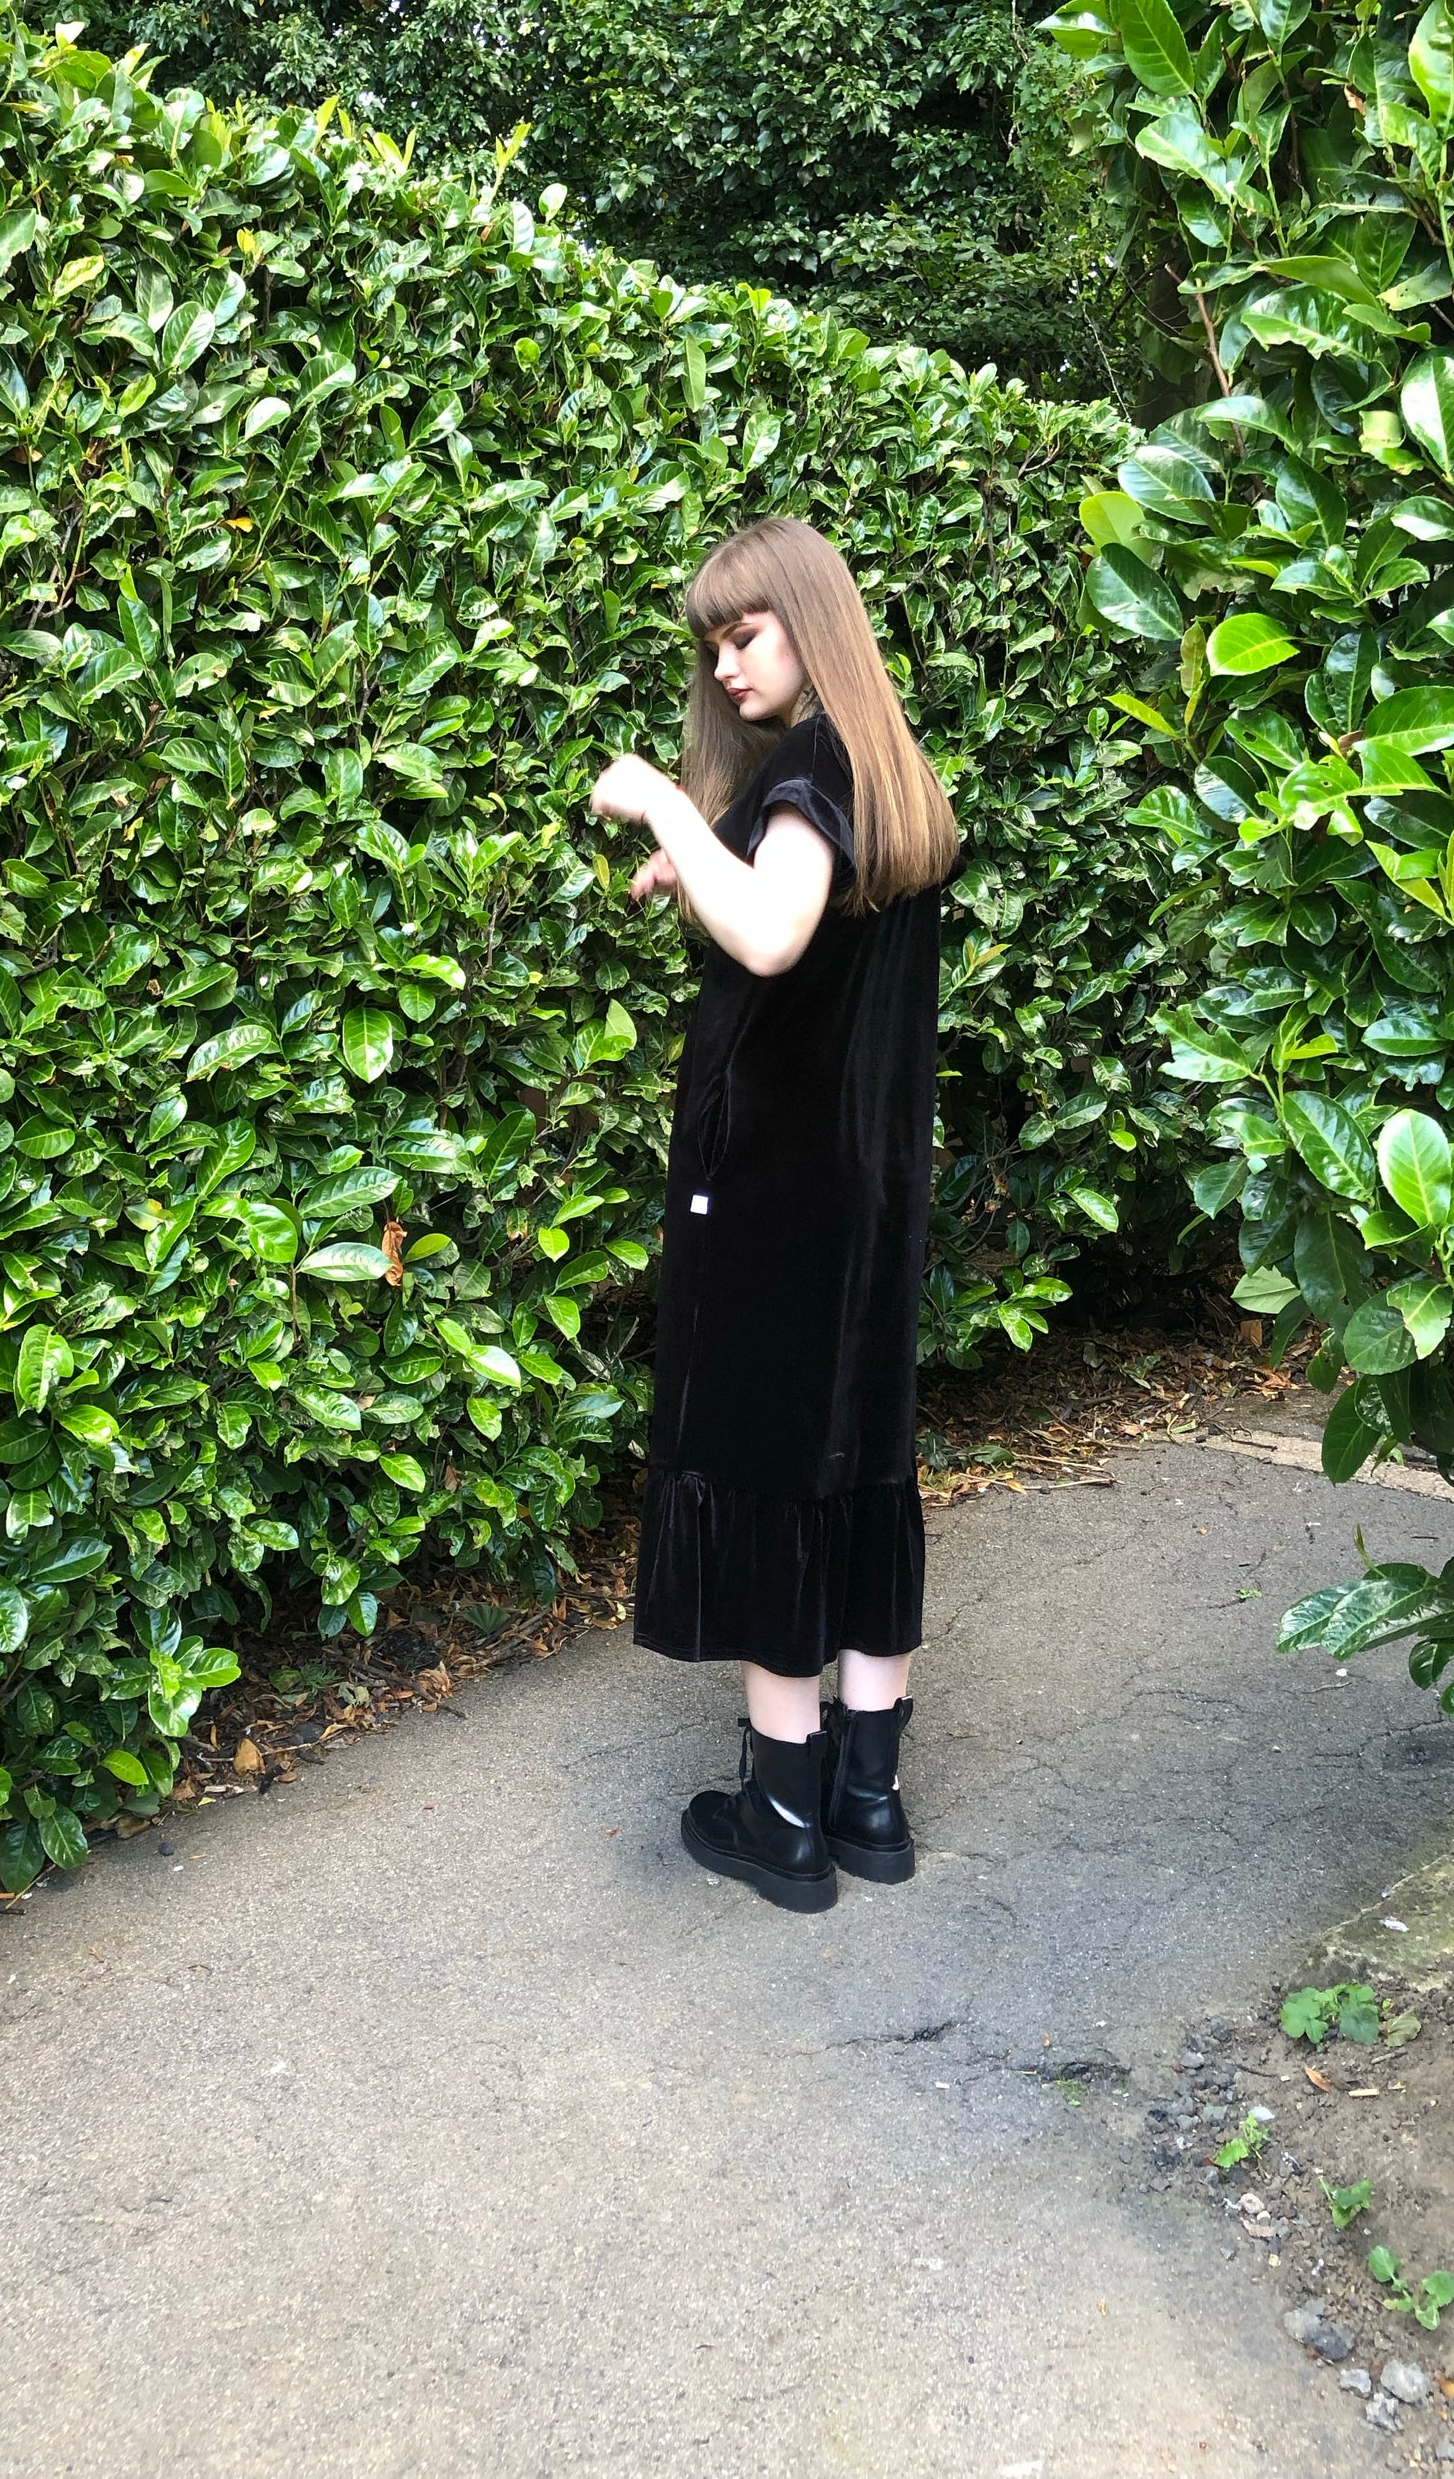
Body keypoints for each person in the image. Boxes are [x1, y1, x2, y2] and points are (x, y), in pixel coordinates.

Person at [588, 516, 962, 1914]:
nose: (727, 662)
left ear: (810, 616)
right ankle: (869, 1802)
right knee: (856, 1464)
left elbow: (771, 937)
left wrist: (664, 805)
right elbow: (794, 940)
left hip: (769, 1196)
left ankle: (784, 1815)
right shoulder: (882, 773)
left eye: (745, 632)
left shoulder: (807, 769)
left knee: (762, 1466)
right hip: (868, 1191)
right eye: (713, 645)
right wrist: (702, 858)